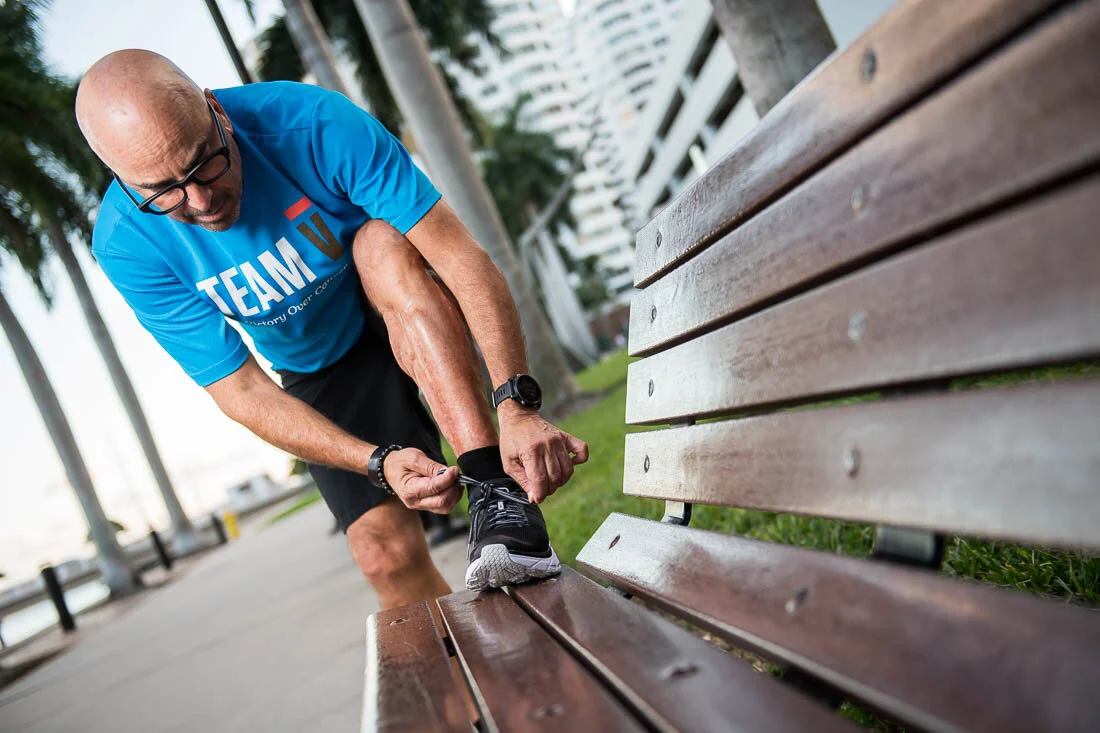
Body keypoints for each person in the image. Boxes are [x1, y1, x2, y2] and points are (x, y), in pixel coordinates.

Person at [74, 50, 588, 605]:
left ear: (217, 112)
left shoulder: (310, 122)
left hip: (399, 293)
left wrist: (516, 405)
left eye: (205, 163)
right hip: (319, 360)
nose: (200, 200)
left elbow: (457, 253)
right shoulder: (127, 244)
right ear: (124, 181)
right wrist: (376, 462)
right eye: (163, 190)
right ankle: (462, 659)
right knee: (382, 555)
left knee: (379, 242)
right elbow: (240, 390)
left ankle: (495, 494)